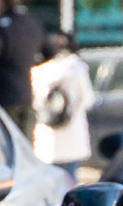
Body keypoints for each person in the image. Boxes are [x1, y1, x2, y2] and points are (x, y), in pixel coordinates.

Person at [0, 0, 48, 140]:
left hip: (4, 94)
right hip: (26, 94)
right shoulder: (34, 24)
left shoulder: (0, 25)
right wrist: (31, 62)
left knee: (6, 142)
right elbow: (49, 52)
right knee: (25, 143)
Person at [31, 29, 96, 173]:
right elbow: (88, 99)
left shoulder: (39, 72)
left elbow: (35, 103)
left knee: (49, 180)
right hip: (72, 132)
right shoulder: (76, 68)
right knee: (69, 179)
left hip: (47, 134)